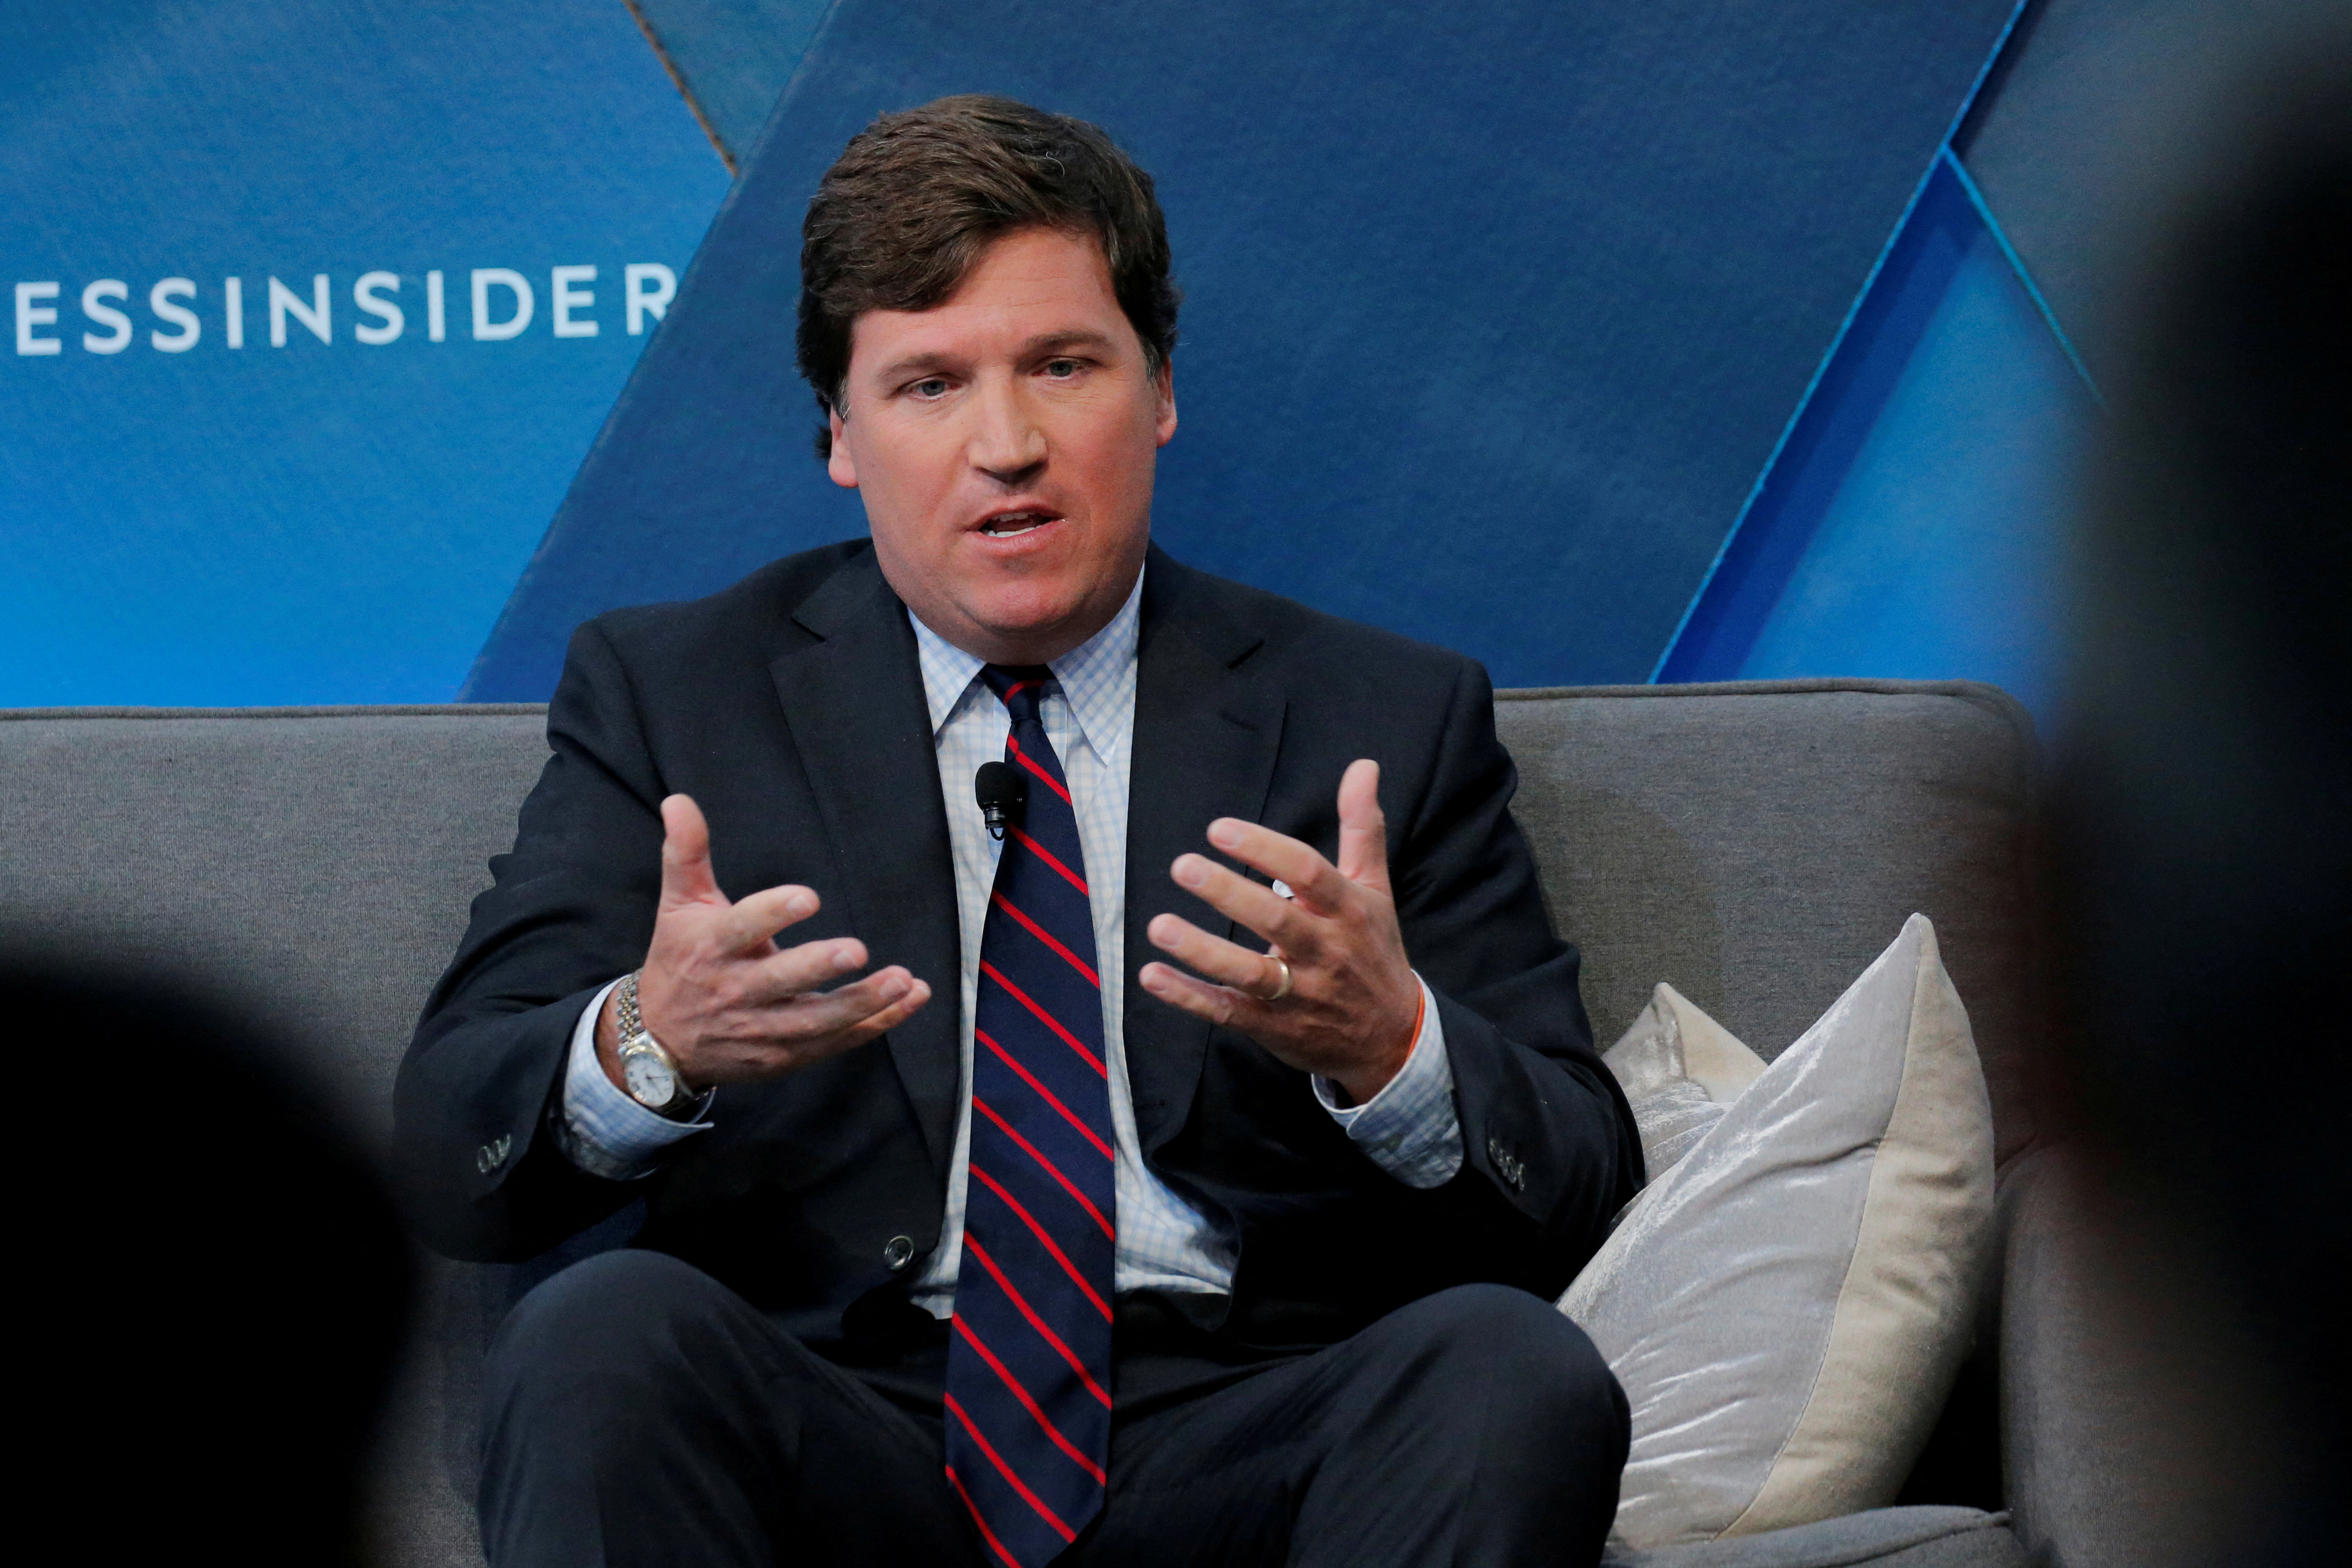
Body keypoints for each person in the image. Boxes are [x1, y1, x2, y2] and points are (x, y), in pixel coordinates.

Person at [395, 94, 1640, 1568]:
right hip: (837, 1432)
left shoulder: (1380, 715)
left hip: (1241, 1435)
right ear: (840, 434)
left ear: (1159, 390)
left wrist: (1393, 1046)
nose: (1009, 445)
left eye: (1063, 366)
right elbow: (453, 1148)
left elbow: (1580, 1187)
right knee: (603, 1332)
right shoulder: (675, 696)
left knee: (1509, 1370)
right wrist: (651, 1042)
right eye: (929, 384)